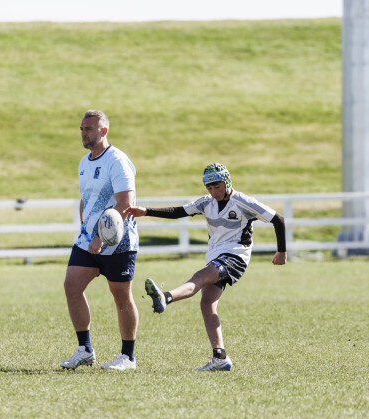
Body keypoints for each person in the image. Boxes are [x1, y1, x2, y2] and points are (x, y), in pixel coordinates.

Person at [124, 163, 287, 371]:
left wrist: (281, 252)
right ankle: (220, 357)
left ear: (227, 181)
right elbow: (178, 211)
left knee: (200, 276)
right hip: (216, 256)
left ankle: (165, 297)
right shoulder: (206, 202)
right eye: (209, 188)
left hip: (236, 257)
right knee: (207, 303)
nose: (213, 192)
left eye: (217, 186)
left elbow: (278, 219)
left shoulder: (243, 202)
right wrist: (146, 211)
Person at [59, 109, 139, 371]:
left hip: (118, 243)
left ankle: (127, 357)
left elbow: (125, 203)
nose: (83, 133)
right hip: (88, 241)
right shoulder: (84, 162)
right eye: (82, 129)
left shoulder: (117, 161)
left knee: (121, 296)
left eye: (89, 129)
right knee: (72, 285)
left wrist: (101, 238)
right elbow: (86, 198)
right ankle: (85, 350)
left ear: (103, 131)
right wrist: (86, 230)